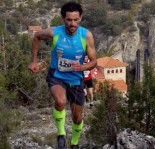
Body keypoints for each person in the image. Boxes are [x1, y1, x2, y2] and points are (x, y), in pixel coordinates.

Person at [28, 2, 97, 149]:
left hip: (76, 79)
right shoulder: (55, 32)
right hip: (57, 75)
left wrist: (83, 67)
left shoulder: (86, 36)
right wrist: (33, 61)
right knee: (60, 101)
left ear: (80, 18)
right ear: (63, 18)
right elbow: (36, 36)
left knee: (77, 118)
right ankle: (61, 134)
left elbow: (94, 62)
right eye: (69, 20)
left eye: (75, 20)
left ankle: (74, 143)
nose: (72, 24)